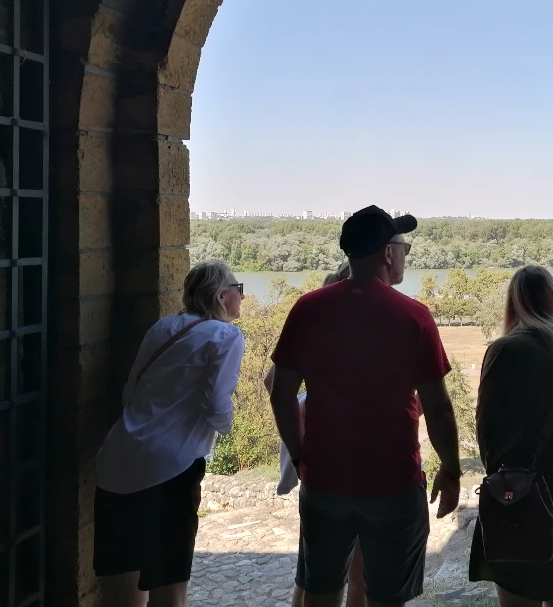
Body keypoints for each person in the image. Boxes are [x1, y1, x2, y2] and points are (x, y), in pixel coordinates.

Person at [269, 205, 462, 607]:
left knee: (321, 590)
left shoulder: (308, 308)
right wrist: (451, 468)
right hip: (394, 482)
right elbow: (438, 407)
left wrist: (301, 455)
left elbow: (281, 392)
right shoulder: (414, 316)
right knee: (386, 597)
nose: (405, 255)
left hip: (325, 479)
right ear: (388, 253)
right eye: (404, 247)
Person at [93, 260, 246, 607]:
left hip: (118, 457)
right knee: (169, 583)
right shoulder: (225, 336)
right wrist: (226, 426)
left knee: (122, 579)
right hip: (170, 468)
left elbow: (130, 391)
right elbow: (215, 402)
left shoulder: (162, 327)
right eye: (238, 289)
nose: (242, 296)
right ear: (221, 296)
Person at [469, 265, 553, 607]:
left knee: (520, 592)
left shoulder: (506, 349)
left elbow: (487, 429)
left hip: (523, 489)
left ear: (513, 301)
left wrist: (500, 477)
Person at [266, 261, 367, 607]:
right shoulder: (360, 331)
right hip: (357, 465)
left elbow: (273, 383)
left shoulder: (315, 323)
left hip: (320, 466)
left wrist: (303, 420)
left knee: (312, 571)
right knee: (359, 576)